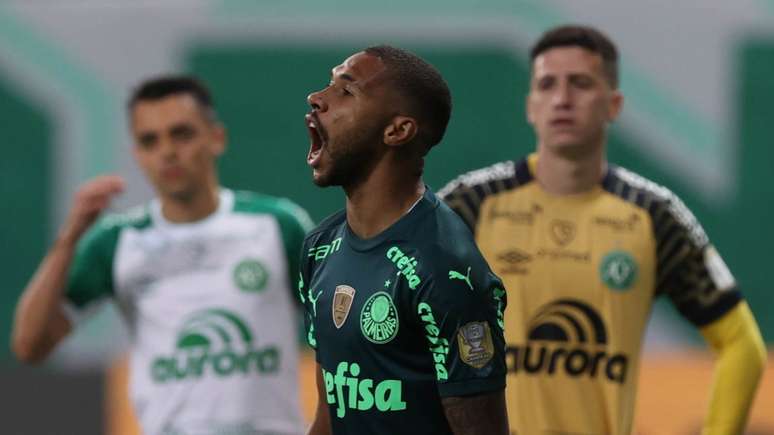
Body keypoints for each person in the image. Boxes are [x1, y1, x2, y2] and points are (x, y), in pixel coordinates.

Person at [439, 25, 767, 435]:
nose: (562, 99)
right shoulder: (470, 205)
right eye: (547, 84)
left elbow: (743, 346)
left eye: (580, 83)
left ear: (613, 104)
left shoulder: (653, 215)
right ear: (530, 105)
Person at [12, 76, 312, 435]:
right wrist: (69, 238)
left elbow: (335, 333)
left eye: (181, 134)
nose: (167, 151)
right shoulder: (117, 241)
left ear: (216, 138)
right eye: (149, 141)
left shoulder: (276, 225)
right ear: (137, 154)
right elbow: (30, 346)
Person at [299, 45, 509, 435]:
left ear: (397, 130)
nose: (317, 98)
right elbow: (330, 415)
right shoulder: (320, 247)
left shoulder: (444, 271)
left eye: (346, 91)